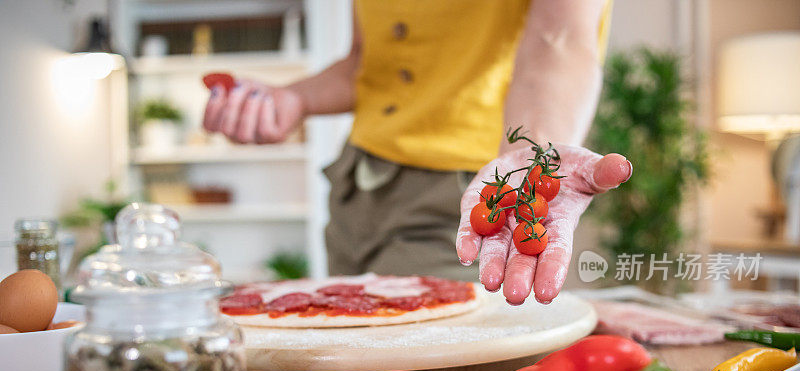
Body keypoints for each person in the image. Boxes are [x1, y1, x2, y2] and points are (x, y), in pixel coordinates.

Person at [203, 0, 631, 305]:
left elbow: (556, 39)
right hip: (357, 189)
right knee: (360, 362)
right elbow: (364, 63)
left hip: (460, 200)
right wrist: (293, 100)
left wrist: (530, 158)